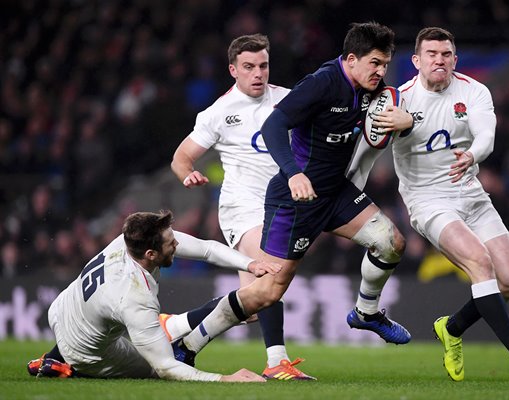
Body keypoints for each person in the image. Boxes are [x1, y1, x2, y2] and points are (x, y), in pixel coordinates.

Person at [172, 22, 415, 364]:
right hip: (294, 200)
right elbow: (274, 125)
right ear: (351, 59)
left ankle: (366, 313)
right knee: (266, 290)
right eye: (375, 63)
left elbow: (385, 118)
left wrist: (408, 122)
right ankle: (187, 343)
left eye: (385, 64)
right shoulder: (320, 84)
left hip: (334, 192)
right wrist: (294, 173)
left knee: (392, 242)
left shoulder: (367, 86)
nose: (381, 71)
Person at [347, 27, 509, 383]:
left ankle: (452, 327)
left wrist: (471, 155)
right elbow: (366, 152)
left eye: (446, 54)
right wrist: (347, 200)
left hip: (471, 193)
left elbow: (486, 136)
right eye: (431, 54)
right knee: (479, 261)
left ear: (455, 59)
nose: (439, 60)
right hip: (428, 200)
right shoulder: (396, 99)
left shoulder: (474, 91)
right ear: (416, 61)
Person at [171, 34, 314, 380]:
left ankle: (177, 327)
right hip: (242, 206)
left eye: (263, 65)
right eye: (249, 67)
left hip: (280, 206)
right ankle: (277, 360)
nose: (257, 73)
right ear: (233, 70)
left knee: (252, 303)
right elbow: (181, 157)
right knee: (269, 269)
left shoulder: (287, 100)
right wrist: (188, 174)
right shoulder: (219, 112)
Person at [26, 210, 281, 382]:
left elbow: (206, 249)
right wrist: (225, 379)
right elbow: (165, 367)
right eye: (171, 243)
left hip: (61, 310)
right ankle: (68, 366)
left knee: (158, 330)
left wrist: (251, 265)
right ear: (150, 254)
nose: (177, 245)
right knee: (153, 367)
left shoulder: (129, 240)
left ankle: (52, 359)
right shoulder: (133, 294)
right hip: (86, 352)